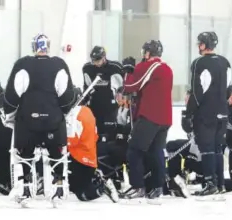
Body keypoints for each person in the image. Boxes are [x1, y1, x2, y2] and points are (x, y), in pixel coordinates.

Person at [3, 33, 75, 205]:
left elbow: (11, 96)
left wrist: (9, 113)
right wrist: (62, 112)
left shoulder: (22, 64)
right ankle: (58, 189)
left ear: (33, 46)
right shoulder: (59, 64)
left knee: (25, 155)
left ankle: (26, 190)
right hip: (53, 120)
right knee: (57, 155)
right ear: (48, 46)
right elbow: (67, 97)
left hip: (27, 120)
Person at [121, 39, 173, 203]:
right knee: (156, 152)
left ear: (148, 53)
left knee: (134, 151)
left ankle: (138, 187)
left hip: (150, 116)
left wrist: (128, 71)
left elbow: (130, 86)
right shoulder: (167, 68)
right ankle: (157, 187)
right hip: (165, 118)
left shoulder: (150, 66)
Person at [183, 31, 231, 198]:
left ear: (204, 44)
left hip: (206, 113)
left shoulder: (199, 63)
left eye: (200, 43)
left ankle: (210, 183)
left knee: (207, 149)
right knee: (218, 148)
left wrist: (188, 114)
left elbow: (197, 93)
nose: (198, 46)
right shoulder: (225, 62)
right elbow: (228, 88)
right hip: (223, 112)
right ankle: (220, 183)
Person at [66, 87, 119, 203]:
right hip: (90, 157)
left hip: (79, 158)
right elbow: (95, 136)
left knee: (81, 194)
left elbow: (73, 139)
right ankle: (98, 181)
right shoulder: (88, 112)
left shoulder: (75, 114)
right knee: (80, 191)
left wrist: (62, 142)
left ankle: (102, 185)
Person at [82, 46, 124, 144]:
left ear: (104, 57)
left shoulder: (115, 67)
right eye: (94, 61)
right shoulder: (87, 68)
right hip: (94, 106)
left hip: (110, 107)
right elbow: (86, 87)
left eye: (98, 60)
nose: (96, 63)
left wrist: (120, 95)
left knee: (109, 133)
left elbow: (123, 85)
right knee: (95, 133)